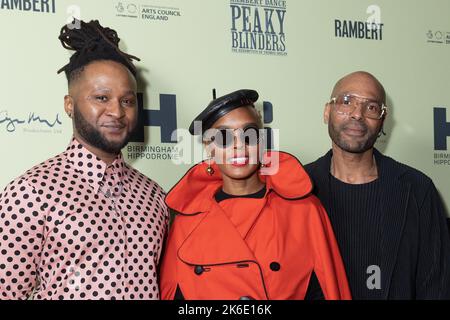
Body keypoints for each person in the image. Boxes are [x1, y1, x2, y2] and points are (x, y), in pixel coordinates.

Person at [0, 19, 169, 300]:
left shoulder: (155, 196)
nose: (116, 111)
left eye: (127, 101)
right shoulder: (30, 193)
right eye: (101, 98)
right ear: (69, 104)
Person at [159, 89, 351, 300]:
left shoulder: (306, 211)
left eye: (248, 134)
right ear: (209, 146)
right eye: (223, 137)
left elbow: (328, 291)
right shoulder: (186, 222)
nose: (239, 146)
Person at [305, 71, 450, 299]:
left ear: (382, 120)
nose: (357, 114)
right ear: (327, 111)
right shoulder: (298, 189)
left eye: (371, 107)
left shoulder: (418, 189)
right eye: (346, 101)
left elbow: (436, 285)